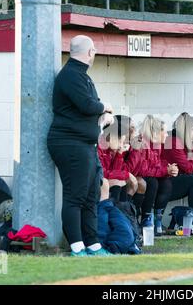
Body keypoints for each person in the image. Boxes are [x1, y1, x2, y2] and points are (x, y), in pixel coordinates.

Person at [47, 35, 113, 257]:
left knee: (91, 195)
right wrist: (106, 106)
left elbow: (87, 111)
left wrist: (103, 119)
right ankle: (77, 247)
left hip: (85, 144)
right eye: (94, 51)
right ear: (90, 52)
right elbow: (87, 105)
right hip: (69, 144)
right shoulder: (70, 75)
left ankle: (93, 244)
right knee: (76, 196)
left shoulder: (82, 77)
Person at [126, 115, 178, 235]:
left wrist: (168, 169)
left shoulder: (156, 145)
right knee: (152, 182)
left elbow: (155, 165)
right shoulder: (141, 143)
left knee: (166, 183)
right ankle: (145, 218)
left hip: (143, 175)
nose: (167, 135)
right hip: (134, 176)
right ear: (156, 132)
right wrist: (166, 171)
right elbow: (143, 170)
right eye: (165, 132)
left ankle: (157, 221)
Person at [162, 113, 193, 210]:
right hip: (164, 184)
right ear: (189, 130)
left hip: (174, 181)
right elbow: (189, 169)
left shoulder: (183, 141)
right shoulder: (173, 142)